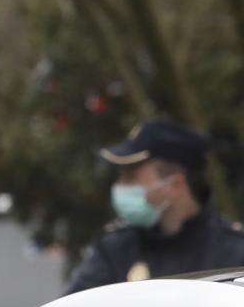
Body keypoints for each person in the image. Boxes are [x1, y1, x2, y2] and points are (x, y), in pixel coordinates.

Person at [67, 119, 244, 294]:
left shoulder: (234, 253)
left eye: (130, 178)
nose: (119, 186)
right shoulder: (116, 249)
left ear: (175, 184)